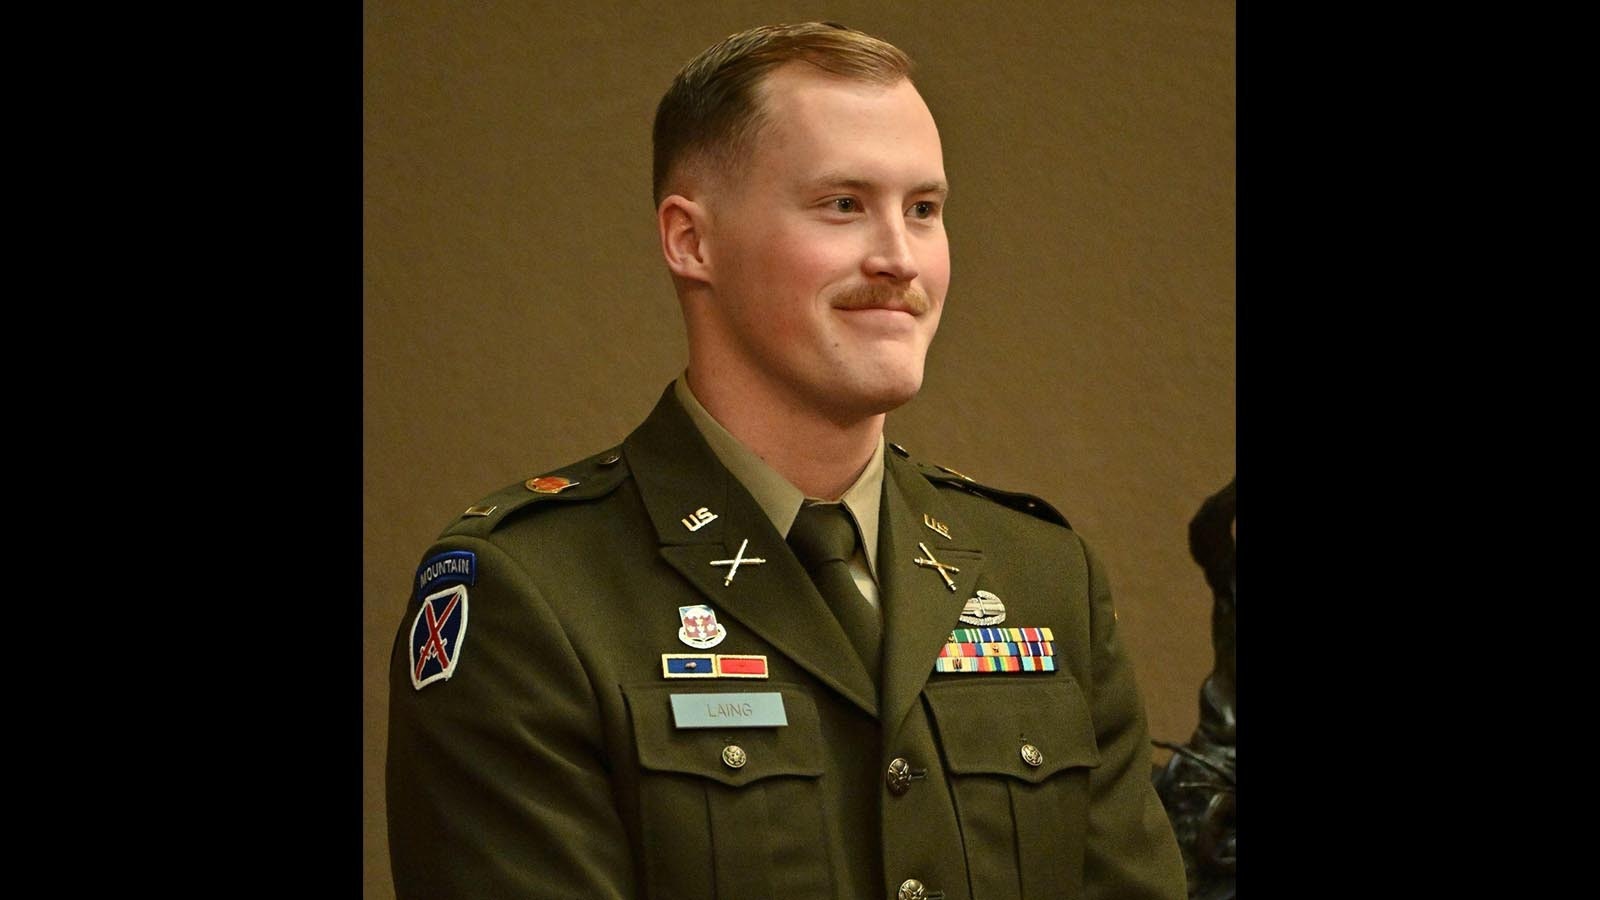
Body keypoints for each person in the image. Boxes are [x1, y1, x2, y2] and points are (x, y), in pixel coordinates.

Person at [387, 21, 1186, 900]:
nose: (897, 258)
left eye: (924, 209)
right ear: (691, 241)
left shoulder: (1042, 576)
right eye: (843, 204)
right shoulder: (533, 594)